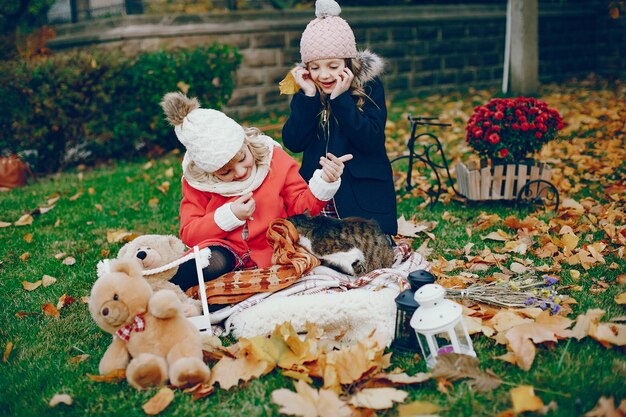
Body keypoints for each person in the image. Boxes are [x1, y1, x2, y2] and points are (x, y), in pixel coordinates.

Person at [160, 92, 352, 291]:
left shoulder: (273, 158)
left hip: (276, 248)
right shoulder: (198, 182)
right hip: (227, 252)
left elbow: (302, 207)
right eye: (225, 172)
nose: (240, 172)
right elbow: (190, 233)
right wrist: (228, 216)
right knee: (207, 263)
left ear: (246, 143)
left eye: (243, 158)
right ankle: (157, 286)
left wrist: (325, 182)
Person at [281, 0, 398, 237]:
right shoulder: (308, 90)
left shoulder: (369, 87)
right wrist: (309, 97)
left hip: (361, 199)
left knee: (360, 255)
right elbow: (293, 142)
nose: (323, 75)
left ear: (347, 62)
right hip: (317, 197)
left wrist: (341, 99)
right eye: (315, 68)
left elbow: (371, 139)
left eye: (333, 66)